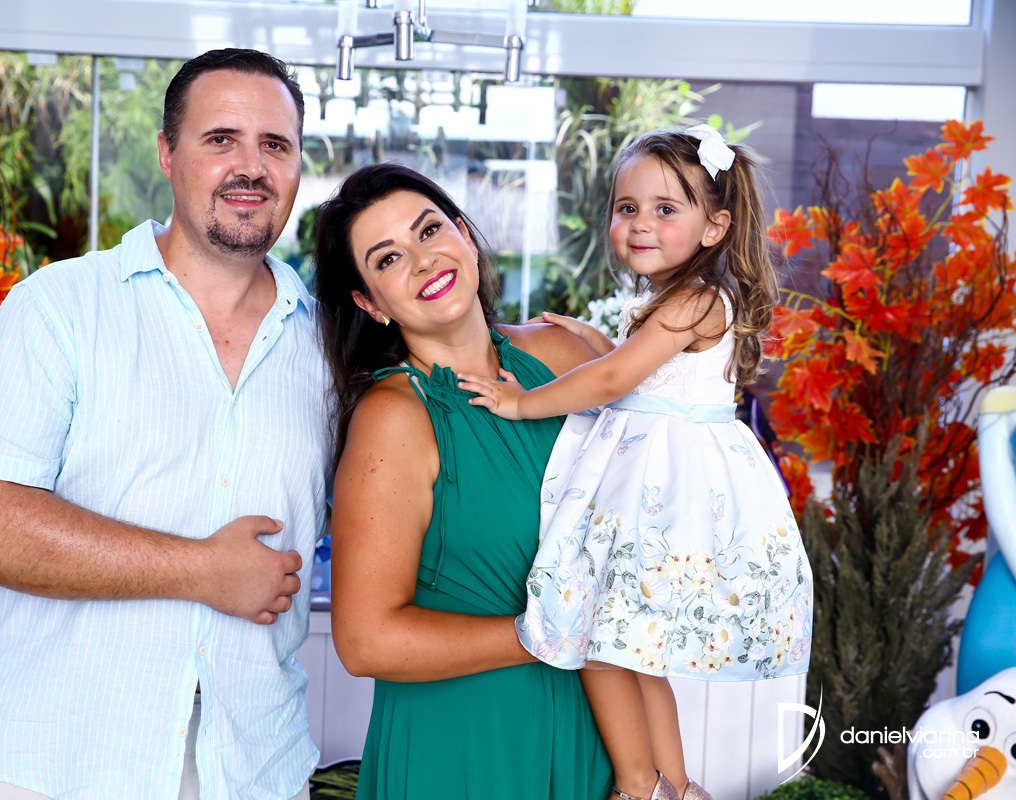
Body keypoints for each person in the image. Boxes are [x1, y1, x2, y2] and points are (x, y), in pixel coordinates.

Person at [0, 49, 331, 800]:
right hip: (39, 770)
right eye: (221, 139)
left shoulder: (329, 349)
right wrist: (202, 570)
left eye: (275, 145)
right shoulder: (59, 307)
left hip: (247, 772)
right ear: (167, 154)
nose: (251, 167)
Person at [458, 125, 813, 800]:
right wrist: (599, 340)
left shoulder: (695, 298)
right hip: (657, 482)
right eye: (628, 208)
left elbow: (615, 381)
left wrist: (520, 403)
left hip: (662, 493)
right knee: (633, 651)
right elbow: (644, 375)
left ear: (714, 227)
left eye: (665, 209)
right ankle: (673, 786)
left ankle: (634, 782)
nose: (641, 223)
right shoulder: (678, 301)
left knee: (598, 638)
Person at [312, 163, 614, 799]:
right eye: (388, 258)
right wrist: (541, 635)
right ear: (370, 303)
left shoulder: (565, 355)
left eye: (429, 230)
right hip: (463, 747)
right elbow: (366, 641)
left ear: (466, 237)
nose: (423, 260)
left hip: (599, 725)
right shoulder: (395, 419)